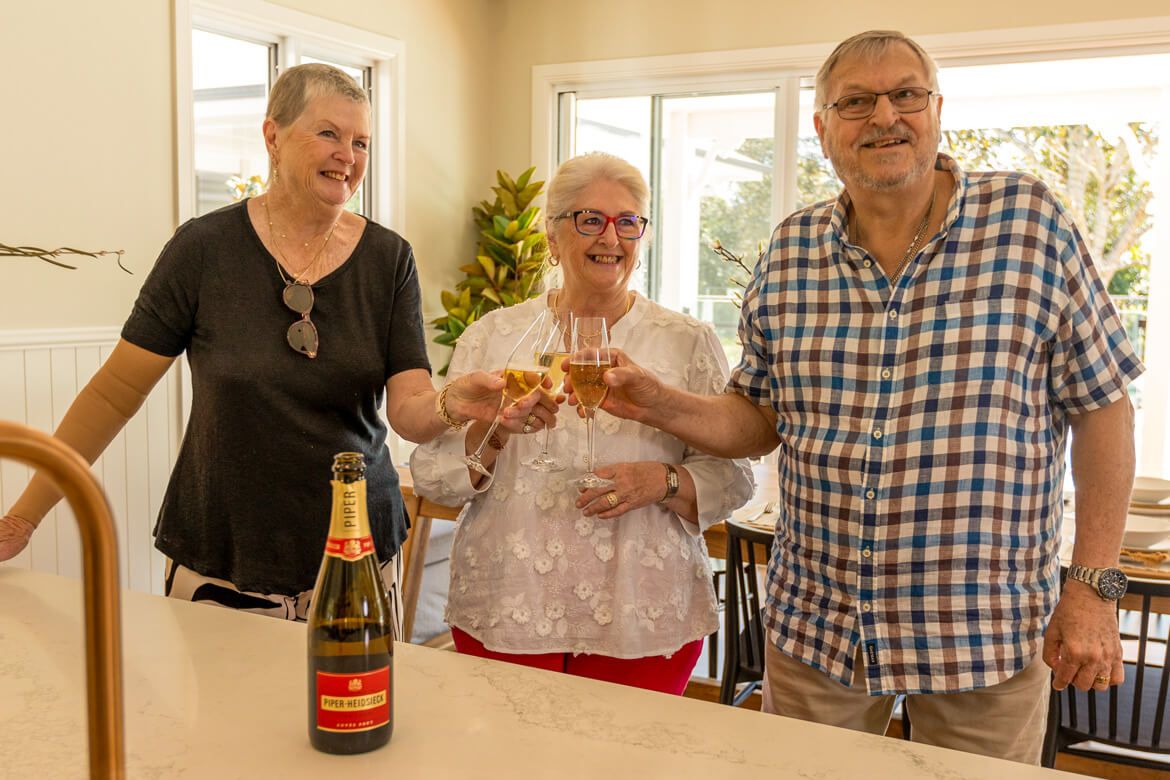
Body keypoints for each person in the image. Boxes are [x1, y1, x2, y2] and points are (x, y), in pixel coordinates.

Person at [567, 32, 1144, 763]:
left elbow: (1104, 407)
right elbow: (759, 418)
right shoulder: (791, 251)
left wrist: (1092, 586)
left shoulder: (1031, 225)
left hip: (983, 632)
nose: (885, 117)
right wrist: (655, 400)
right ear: (823, 127)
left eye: (906, 95)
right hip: (820, 628)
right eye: (857, 102)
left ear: (937, 110)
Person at [0, 64, 531, 633]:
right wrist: (22, 519)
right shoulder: (202, 249)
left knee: (355, 713)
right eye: (328, 133)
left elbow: (409, 409)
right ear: (272, 136)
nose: (347, 156)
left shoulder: (388, 258)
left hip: (358, 549)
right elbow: (114, 393)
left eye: (361, 142)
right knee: (226, 722)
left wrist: (453, 403)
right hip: (225, 549)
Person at [409, 152, 753, 695]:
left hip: (642, 611)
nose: (610, 237)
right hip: (509, 604)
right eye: (590, 219)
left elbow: (733, 477)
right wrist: (494, 434)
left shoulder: (686, 341)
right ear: (551, 236)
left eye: (627, 222)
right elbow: (433, 477)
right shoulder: (495, 336)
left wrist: (663, 481)